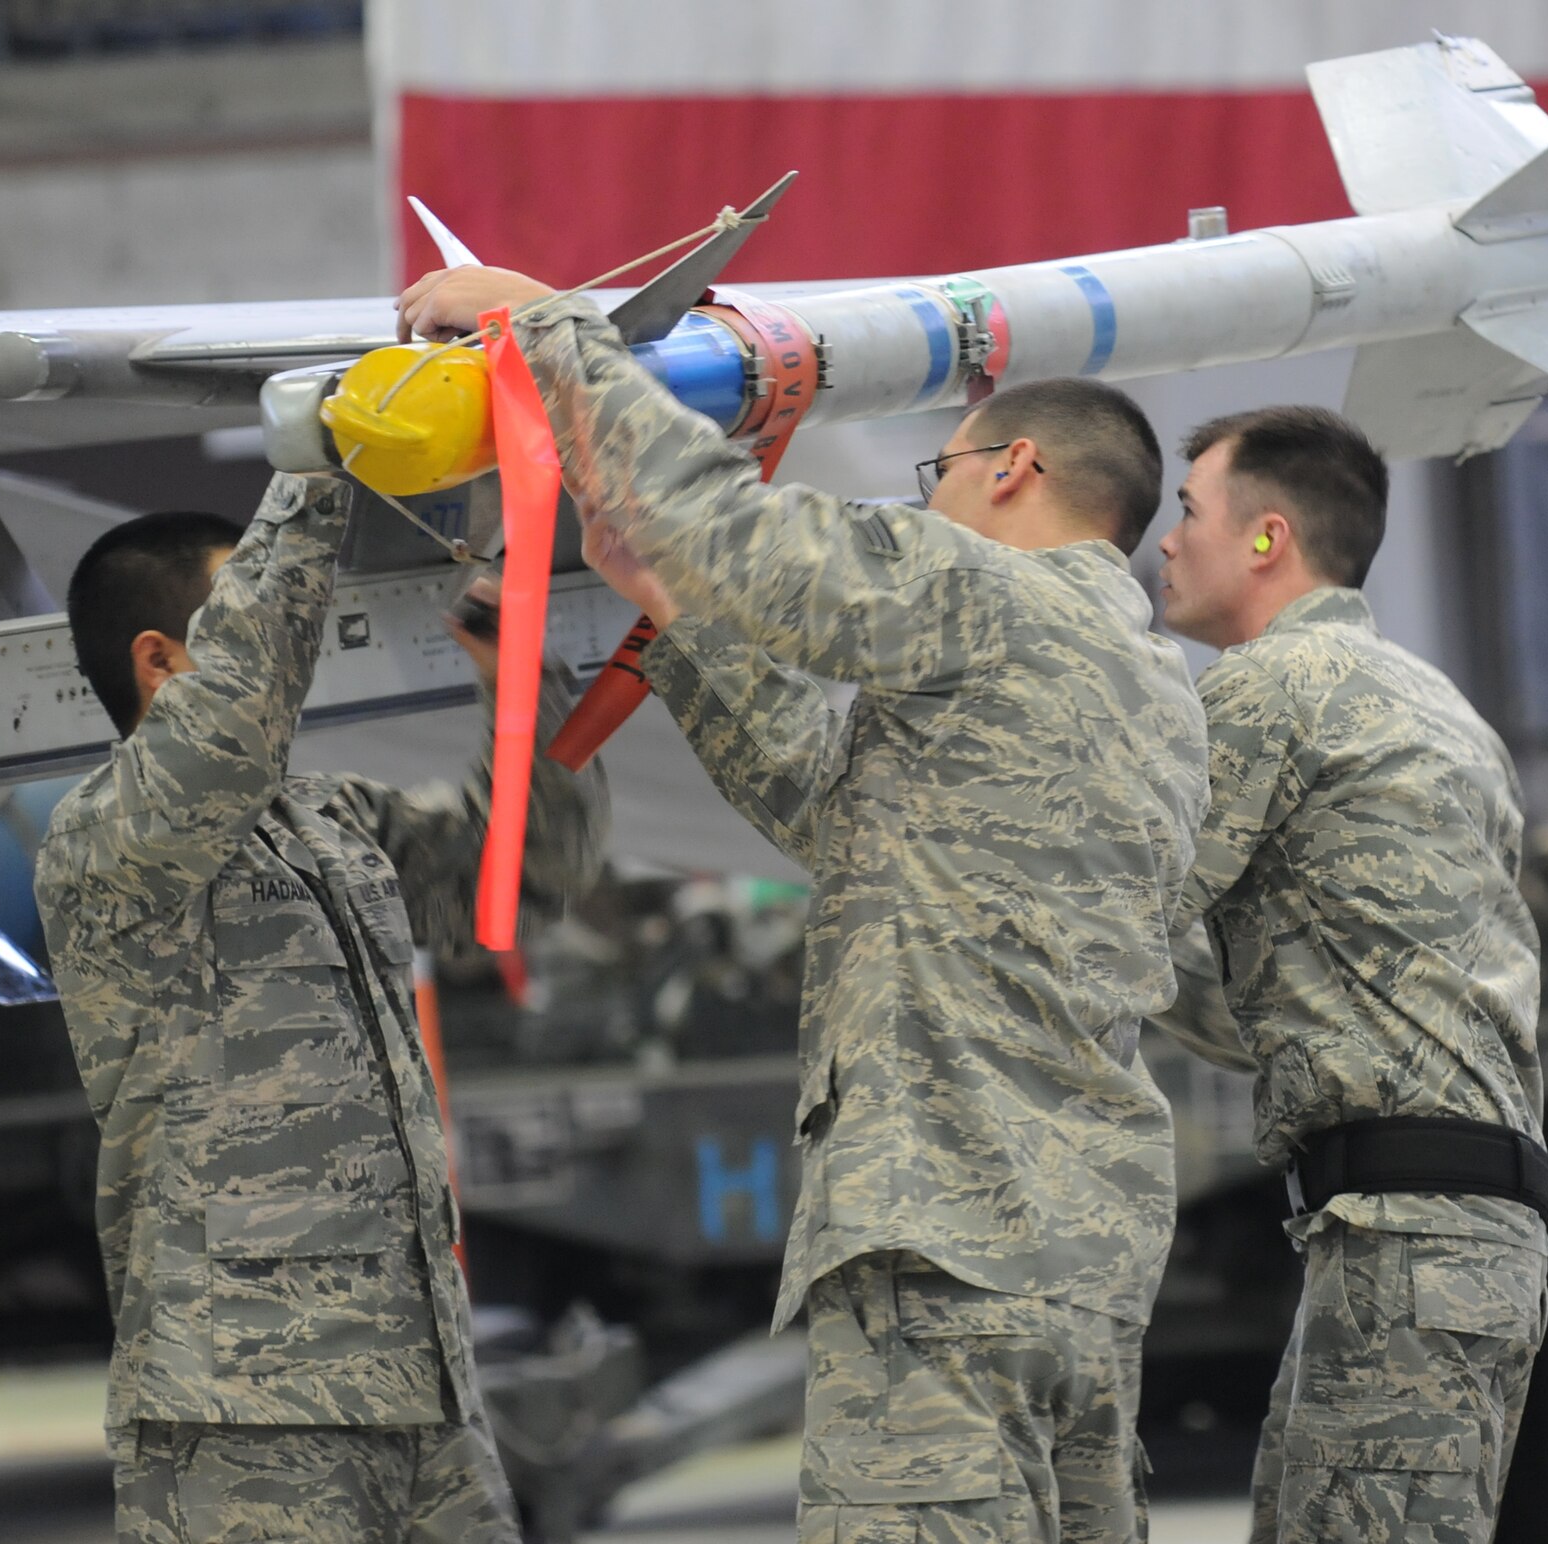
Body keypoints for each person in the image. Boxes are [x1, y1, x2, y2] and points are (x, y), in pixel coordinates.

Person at [400, 267, 1208, 1542]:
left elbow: (752, 544)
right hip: (1074, 1255)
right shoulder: (1144, 684)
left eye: (931, 475)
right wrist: (670, 618)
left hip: (948, 1241)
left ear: (1010, 469)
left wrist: (543, 322)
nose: (920, 500)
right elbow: (842, 819)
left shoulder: (986, 595)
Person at [33, 474, 608, 1543]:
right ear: (160, 662)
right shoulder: (109, 835)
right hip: (247, 1400)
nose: (297, 647)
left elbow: (521, 871)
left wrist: (524, 686)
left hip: (417, 1382)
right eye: (250, 618)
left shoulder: (328, 818)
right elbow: (235, 715)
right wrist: (316, 479)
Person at [1153, 405, 1548, 1544]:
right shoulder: (1439, 706)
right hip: (1457, 1230)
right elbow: (1306, 995)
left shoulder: (1265, 691)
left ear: (1267, 537)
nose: (1164, 542)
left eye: (1188, 512)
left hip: (1400, 1241)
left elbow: (1111, 902)